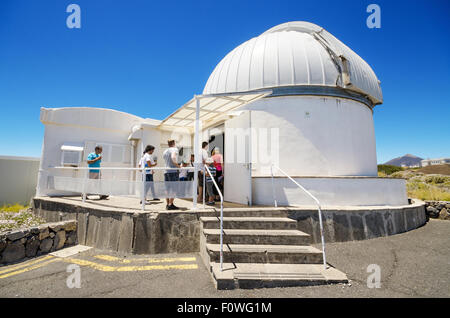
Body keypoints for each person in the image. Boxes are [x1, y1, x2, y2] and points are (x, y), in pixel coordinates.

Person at [162, 139, 180, 210]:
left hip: (166, 171)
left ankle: (168, 204)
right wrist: (177, 165)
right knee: (174, 188)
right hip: (173, 171)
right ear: (174, 143)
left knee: (167, 188)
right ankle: (170, 204)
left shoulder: (165, 151)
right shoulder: (174, 149)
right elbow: (173, 157)